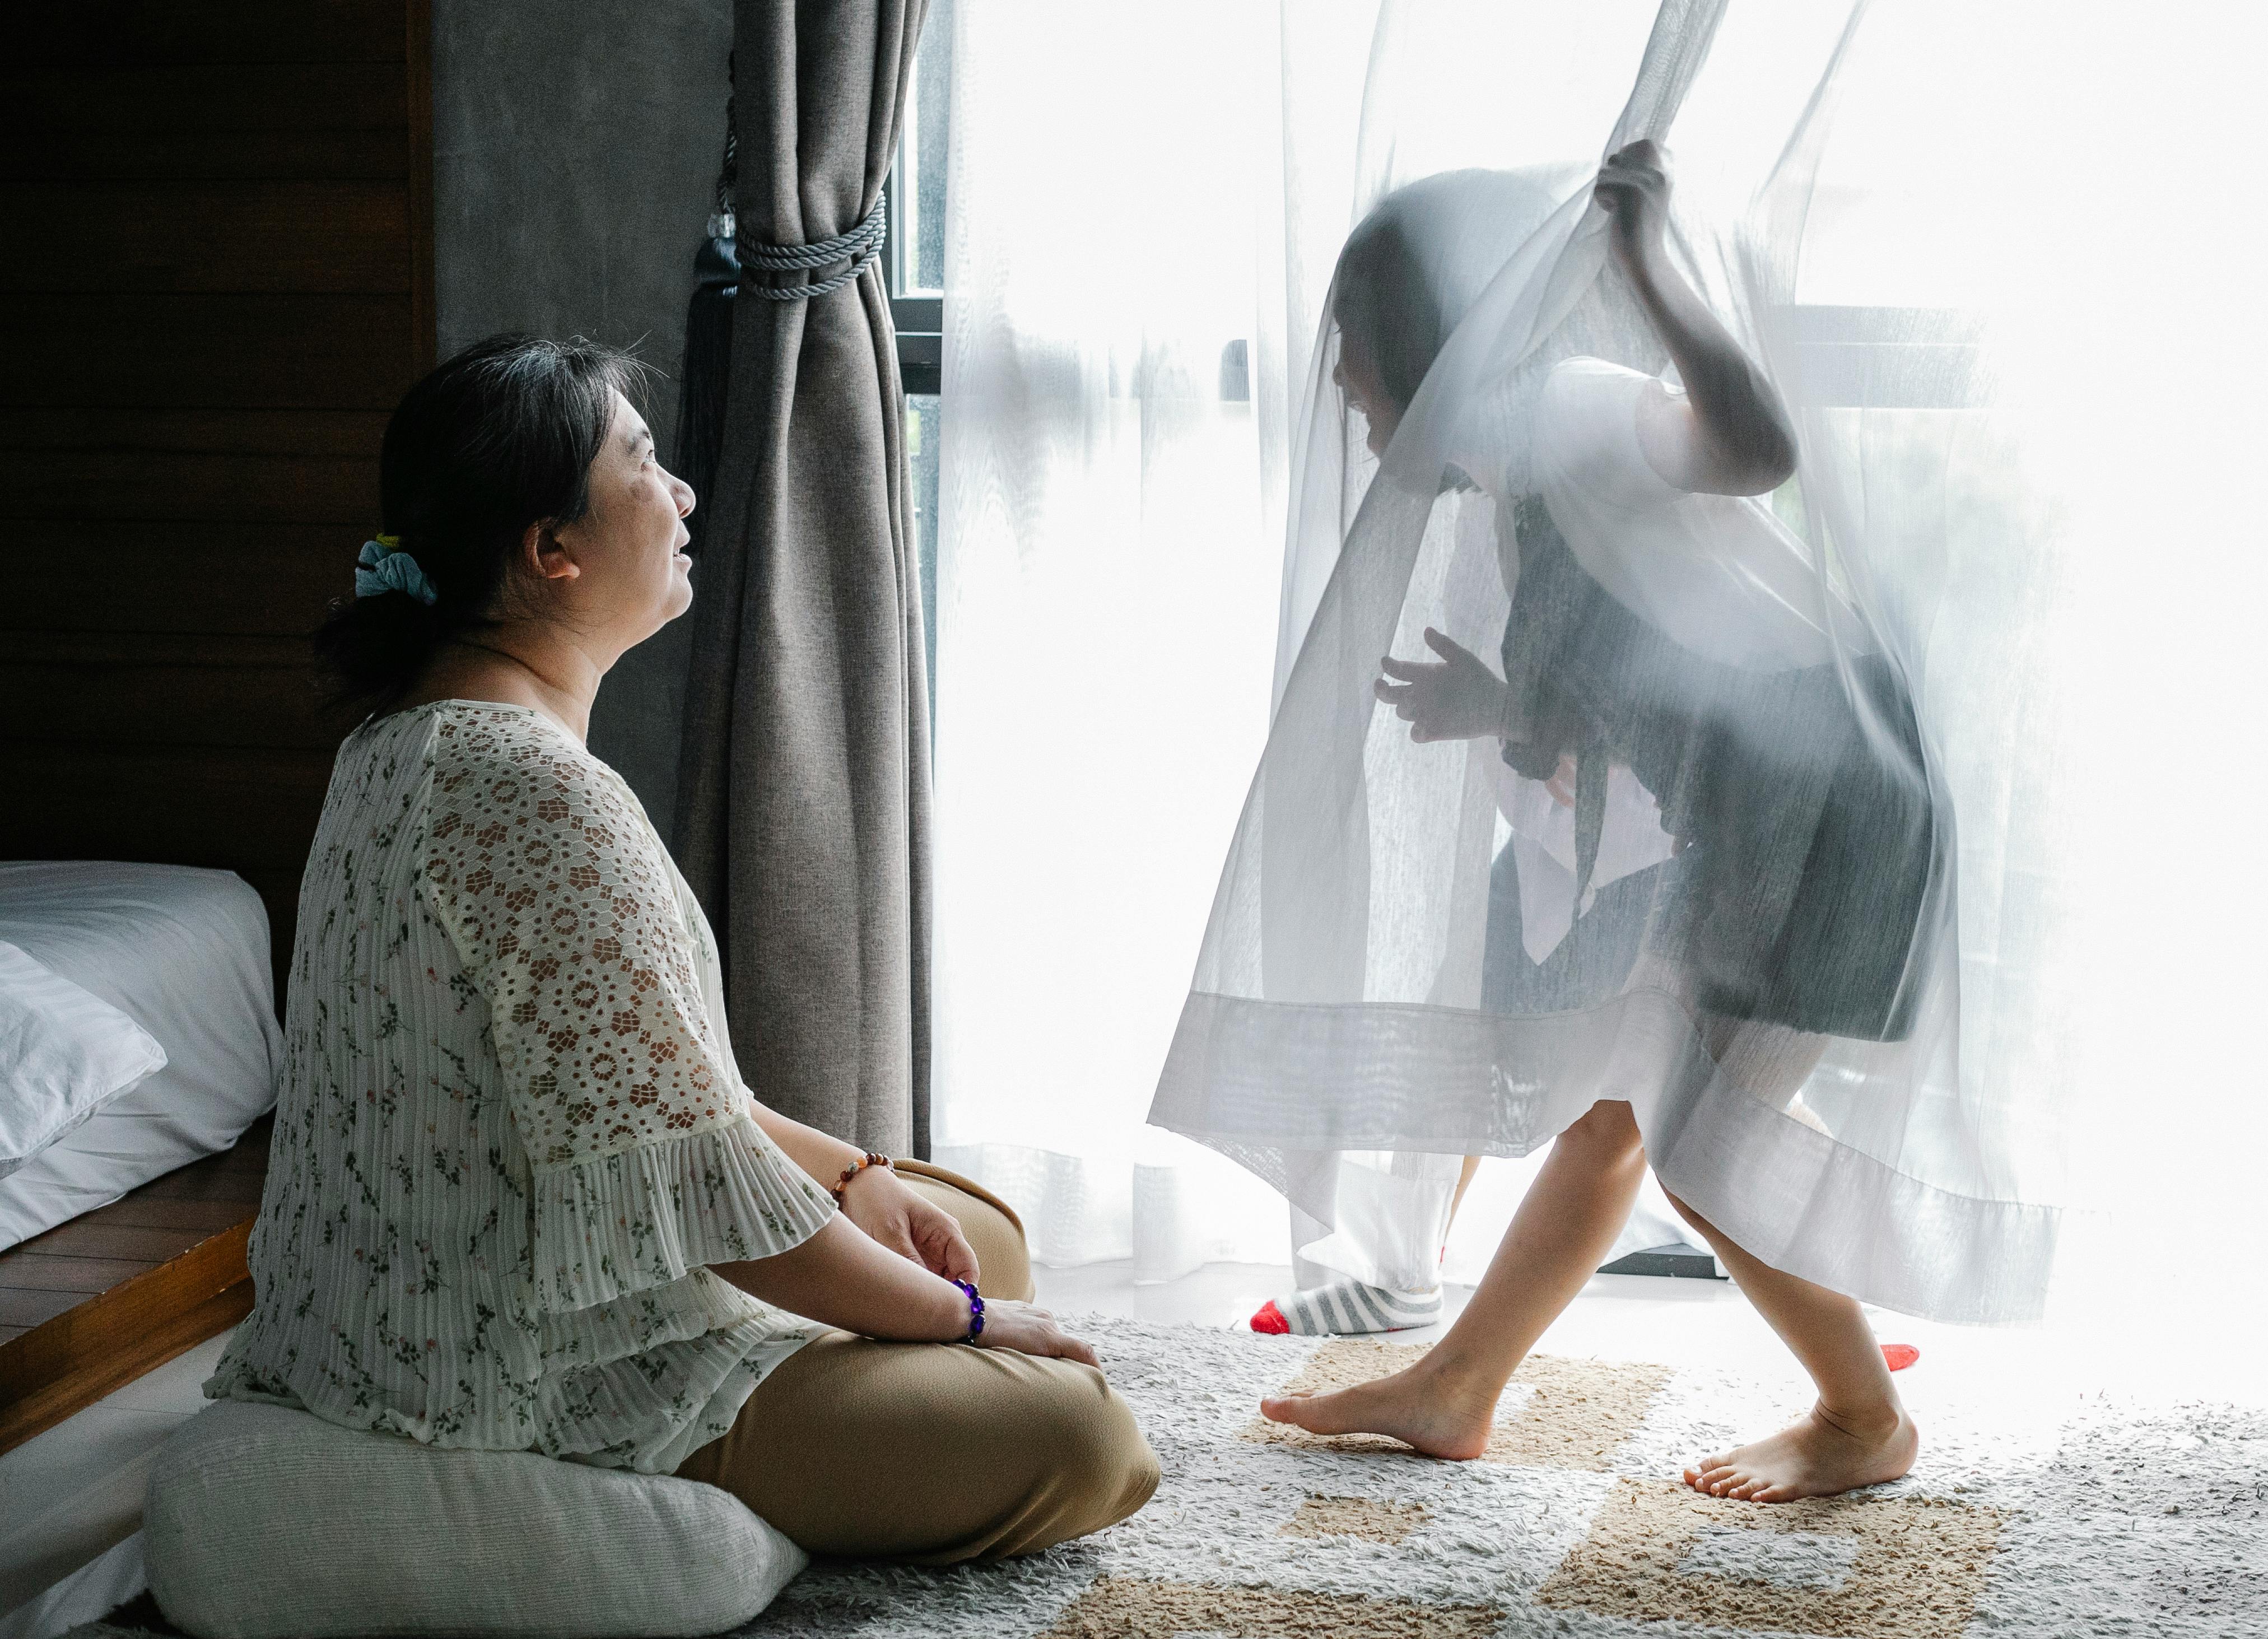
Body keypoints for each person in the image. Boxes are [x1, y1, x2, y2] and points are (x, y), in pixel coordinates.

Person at [211, 335, 1159, 1562]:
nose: (685, 493)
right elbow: (703, 1201)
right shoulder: (525, 788)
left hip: (442, 1302)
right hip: (521, 1365)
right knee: (1084, 1436)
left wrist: (861, 1174)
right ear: (554, 553)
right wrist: (965, 1325)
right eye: (644, 462)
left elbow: (648, 1090)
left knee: (973, 1225)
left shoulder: (409, 744)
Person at [1239, 146, 1933, 1501]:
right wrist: (1500, 707)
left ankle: (1866, 1417)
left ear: (1428, 348)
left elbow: (1755, 449)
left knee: (1706, 1150)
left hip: (1830, 822)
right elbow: (1644, 689)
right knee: (1615, 1114)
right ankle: (1456, 1387)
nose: (1343, 391)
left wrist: (1650, 264)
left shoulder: (1574, 411)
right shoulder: (1525, 484)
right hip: (1749, 823)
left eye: (1354, 358)